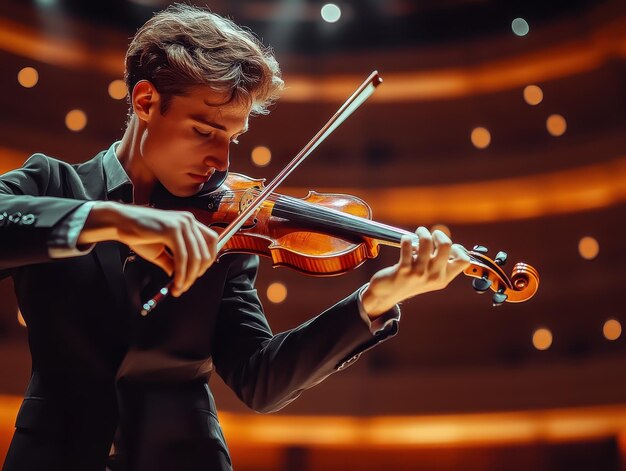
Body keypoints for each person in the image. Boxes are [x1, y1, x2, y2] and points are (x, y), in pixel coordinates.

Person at [0, 4, 470, 471]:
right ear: (145, 102)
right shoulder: (53, 185)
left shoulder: (228, 228)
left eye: (233, 137)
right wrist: (115, 220)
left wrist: (374, 300)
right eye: (205, 130)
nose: (222, 161)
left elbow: (261, 380)